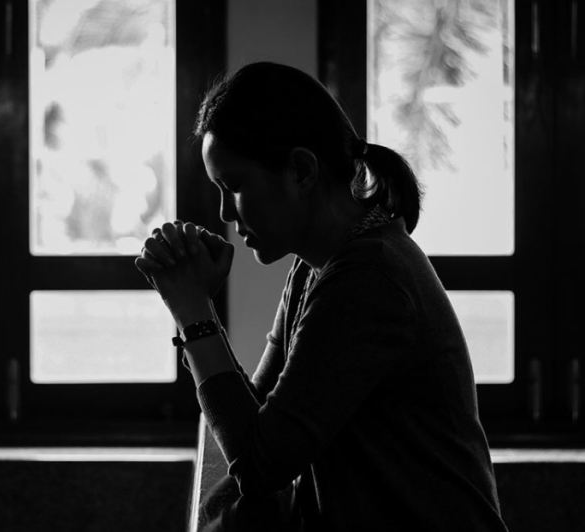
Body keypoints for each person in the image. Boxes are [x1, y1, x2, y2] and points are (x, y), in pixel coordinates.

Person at [136, 62, 508, 531]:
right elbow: (260, 422)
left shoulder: (370, 277)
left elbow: (259, 465)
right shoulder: (316, 269)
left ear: (301, 170)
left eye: (234, 187)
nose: (225, 213)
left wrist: (193, 313)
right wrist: (197, 311)